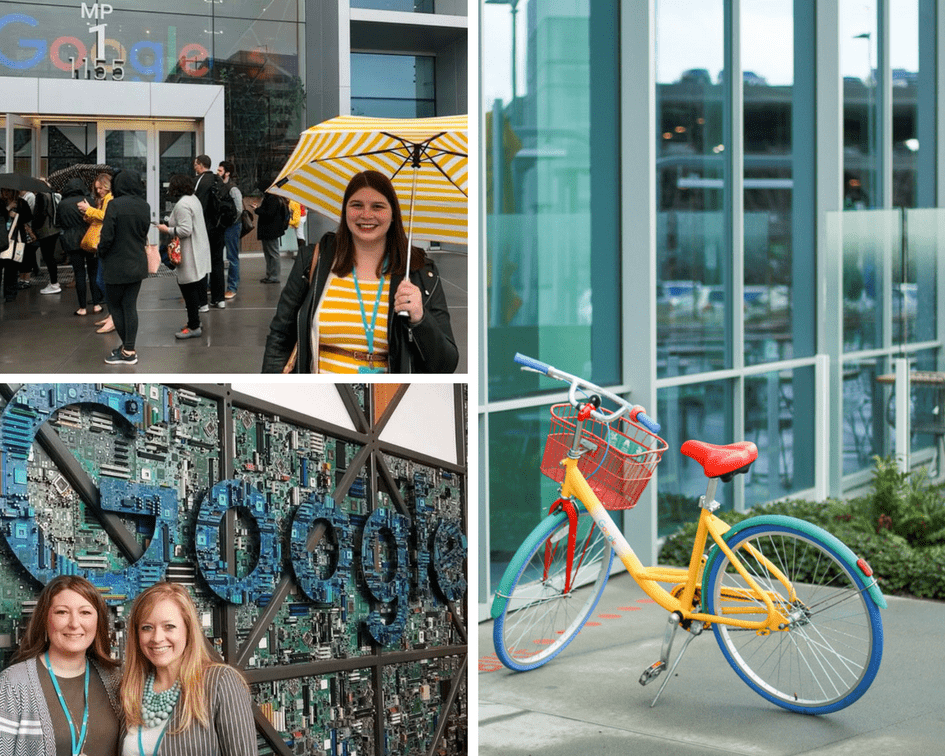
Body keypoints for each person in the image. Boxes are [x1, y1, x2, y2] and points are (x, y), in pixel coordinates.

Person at [261, 170, 458, 374]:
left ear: (392, 215)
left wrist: (420, 319)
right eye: (356, 205)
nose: (366, 215)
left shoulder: (419, 273)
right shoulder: (314, 261)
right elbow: (280, 337)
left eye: (378, 206)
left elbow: (445, 365)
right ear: (345, 210)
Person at [120, 582, 256, 756]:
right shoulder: (130, 690)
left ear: (188, 630)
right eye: (147, 628)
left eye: (169, 627)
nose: (157, 638)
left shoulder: (220, 682)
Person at [0, 575, 122, 756]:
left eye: (85, 612)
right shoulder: (13, 683)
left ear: (98, 622)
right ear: (45, 619)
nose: (74, 623)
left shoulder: (115, 680)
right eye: (62, 612)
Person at [97, 169, 150, 366]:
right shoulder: (144, 206)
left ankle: (127, 351)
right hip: (137, 262)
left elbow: (107, 236)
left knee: (115, 307)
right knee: (130, 306)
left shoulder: (114, 205)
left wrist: (100, 251)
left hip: (115, 264)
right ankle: (129, 348)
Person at [156, 174, 210, 340]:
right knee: (195, 287)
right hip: (199, 250)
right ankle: (195, 322)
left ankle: (194, 325)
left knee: (188, 289)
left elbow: (185, 230)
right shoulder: (193, 199)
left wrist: (167, 230)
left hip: (189, 253)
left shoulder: (182, 205)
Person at [59, 178, 104, 317]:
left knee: (79, 273)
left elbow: (58, 222)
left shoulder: (63, 204)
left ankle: (82, 308)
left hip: (71, 241)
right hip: (89, 238)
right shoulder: (89, 201)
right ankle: (96, 304)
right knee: (93, 271)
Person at [78, 172, 116, 334]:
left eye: (101, 188)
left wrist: (90, 209)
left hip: (105, 242)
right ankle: (112, 314)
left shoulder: (110, 199)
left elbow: (106, 216)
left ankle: (114, 315)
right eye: (97, 188)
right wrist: (89, 213)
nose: (99, 191)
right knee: (101, 280)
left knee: (102, 280)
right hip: (102, 242)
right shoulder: (104, 199)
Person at [193, 155, 226, 309]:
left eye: (195, 164)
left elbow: (195, 204)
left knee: (201, 264)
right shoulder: (218, 180)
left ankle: (202, 303)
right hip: (219, 228)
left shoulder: (199, 181)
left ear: (200, 165)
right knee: (217, 262)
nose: (194, 167)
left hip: (203, 228)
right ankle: (219, 299)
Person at [0, 188, 31, 304]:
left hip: (16, 239)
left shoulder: (22, 203)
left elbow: (28, 217)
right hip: (1, 239)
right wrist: (7, 209)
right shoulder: (1, 203)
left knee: (12, 269)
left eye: (8, 191)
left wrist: (18, 216)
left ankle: (10, 294)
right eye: (3, 191)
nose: (5, 193)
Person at [29, 188, 63, 295]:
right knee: (50, 256)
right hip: (54, 228)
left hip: (45, 230)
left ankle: (54, 283)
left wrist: (34, 228)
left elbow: (40, 214)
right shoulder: (53, 194)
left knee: (48, 257)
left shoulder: (41, 195)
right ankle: (54, 282)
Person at [217, 160, 242, 301]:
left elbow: (239, 209)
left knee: (232, 257)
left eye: (220, 171)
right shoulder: (220, 187)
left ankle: (232, 287)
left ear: (227, 173)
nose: (217, 173)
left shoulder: (233, 189)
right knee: (218, 257)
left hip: (232, 226)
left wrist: (230, 221)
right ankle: (217, 285)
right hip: (223, 226)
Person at [254, 186, 286, 285]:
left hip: (270, 231)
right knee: (270, 254)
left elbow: (269, 213)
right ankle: (270, 275)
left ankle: (274, 276)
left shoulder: (272, 199)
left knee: (272, 254)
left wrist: (257, 210)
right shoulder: (274, 197)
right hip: (270, 231)